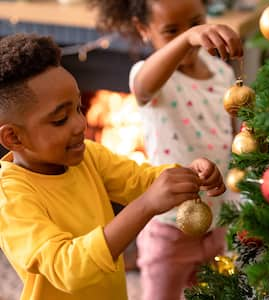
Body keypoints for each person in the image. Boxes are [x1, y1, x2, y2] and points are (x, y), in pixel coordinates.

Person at [0, 33, 226, 300]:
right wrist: (145, 206)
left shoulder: (88, 157)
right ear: (13, 137)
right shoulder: (11, 199)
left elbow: (139, 179)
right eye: (60, 119)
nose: (80, 124)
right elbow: (68, 268)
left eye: (79, 108)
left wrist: (187, 174)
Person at [89, 0, 243, 299]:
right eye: (171, 31)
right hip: (169, 228)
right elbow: (143, 86)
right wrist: (187, 37)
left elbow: (229, 131)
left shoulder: (222, 74)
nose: (189, 35)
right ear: (144, 29)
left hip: (217, 217)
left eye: (196, 22)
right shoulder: (149, 77)